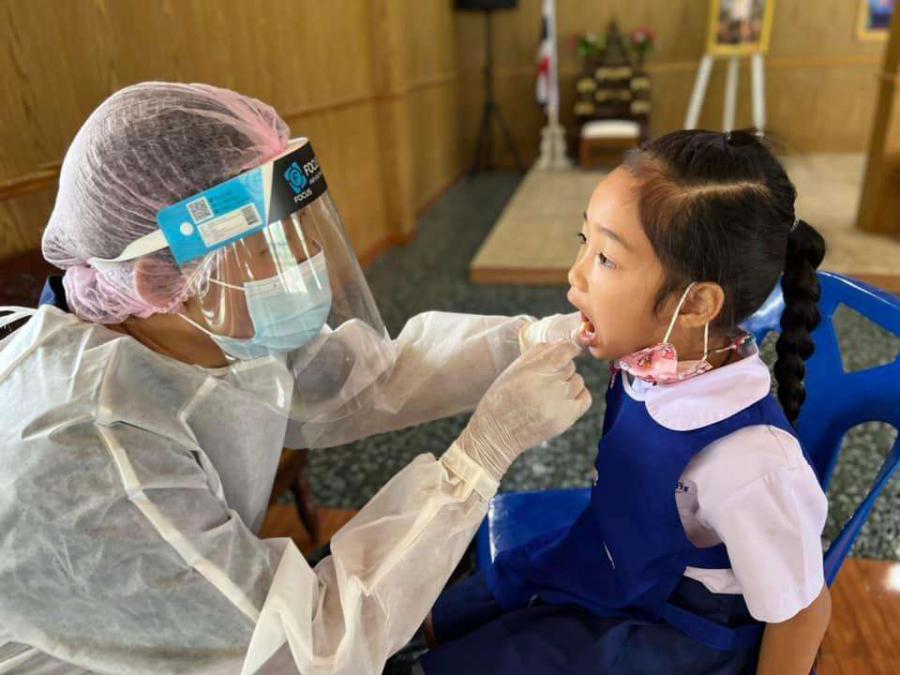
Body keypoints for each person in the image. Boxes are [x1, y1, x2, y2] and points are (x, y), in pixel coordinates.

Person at [0, 82, 591, 674]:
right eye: (268, 245)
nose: (307, 254)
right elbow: (304, 651)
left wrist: (524, 340)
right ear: (158, 281)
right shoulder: (89, 454)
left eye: (299, 225)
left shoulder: (203, 328)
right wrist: (480, 456)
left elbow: (359, 382)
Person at [420, 129, 832, 675]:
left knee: (487, 659)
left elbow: (803, 613)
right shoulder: (651, 360)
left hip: (675, 621)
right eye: (583, 239)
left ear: (696, 304)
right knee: (455, 611)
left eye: (606, 258)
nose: (575, 274)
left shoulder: (753, 464)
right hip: (614, 551)